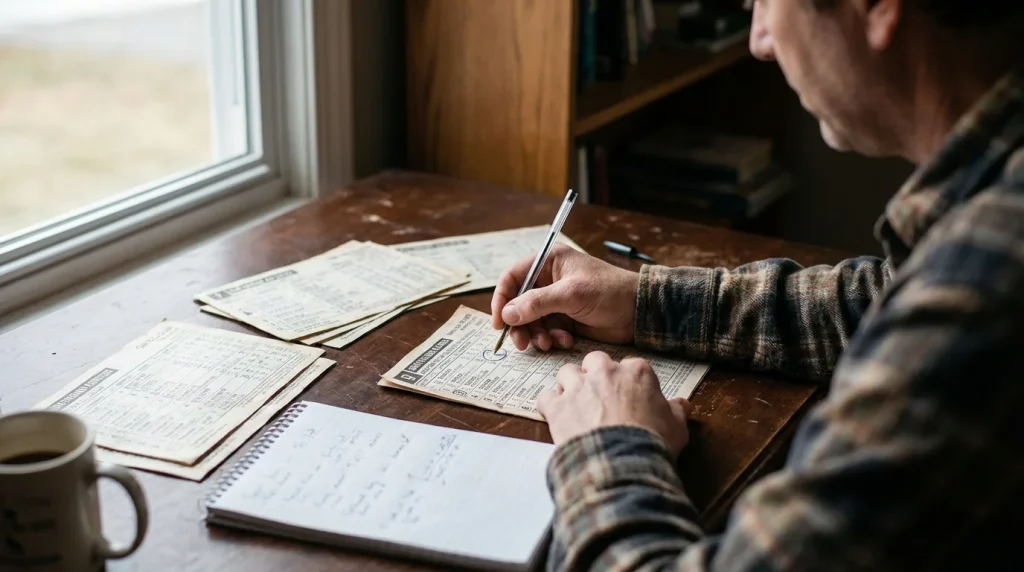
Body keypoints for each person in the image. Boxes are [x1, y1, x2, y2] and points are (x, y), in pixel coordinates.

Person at [489, 0, 1024, 569]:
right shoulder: (988, 211)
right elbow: (880, 299)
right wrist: (642, 302)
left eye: (765, 2)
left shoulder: (987, 281)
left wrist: (609, 446)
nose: (759, 40)